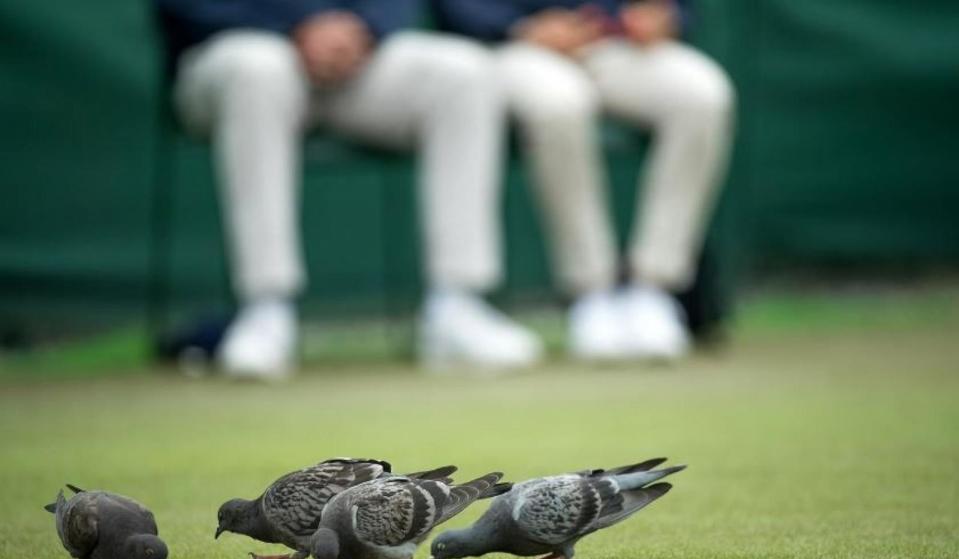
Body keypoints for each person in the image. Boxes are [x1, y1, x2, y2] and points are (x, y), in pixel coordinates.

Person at [156, 0, 542, 379]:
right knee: (258, 67)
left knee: (465, 71)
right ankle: (265, 310)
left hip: (355, 57)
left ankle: (458, 303)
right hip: (232, 54)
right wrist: (298, 26)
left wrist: (361, 29)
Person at [432, 0, 735, 362]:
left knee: (701, 94)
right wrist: (519, 27)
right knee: (560, 104)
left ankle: (653, 289)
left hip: (615, 47)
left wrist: (664, 16)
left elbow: (676, 9)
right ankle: (591, 292)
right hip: (516, 50)